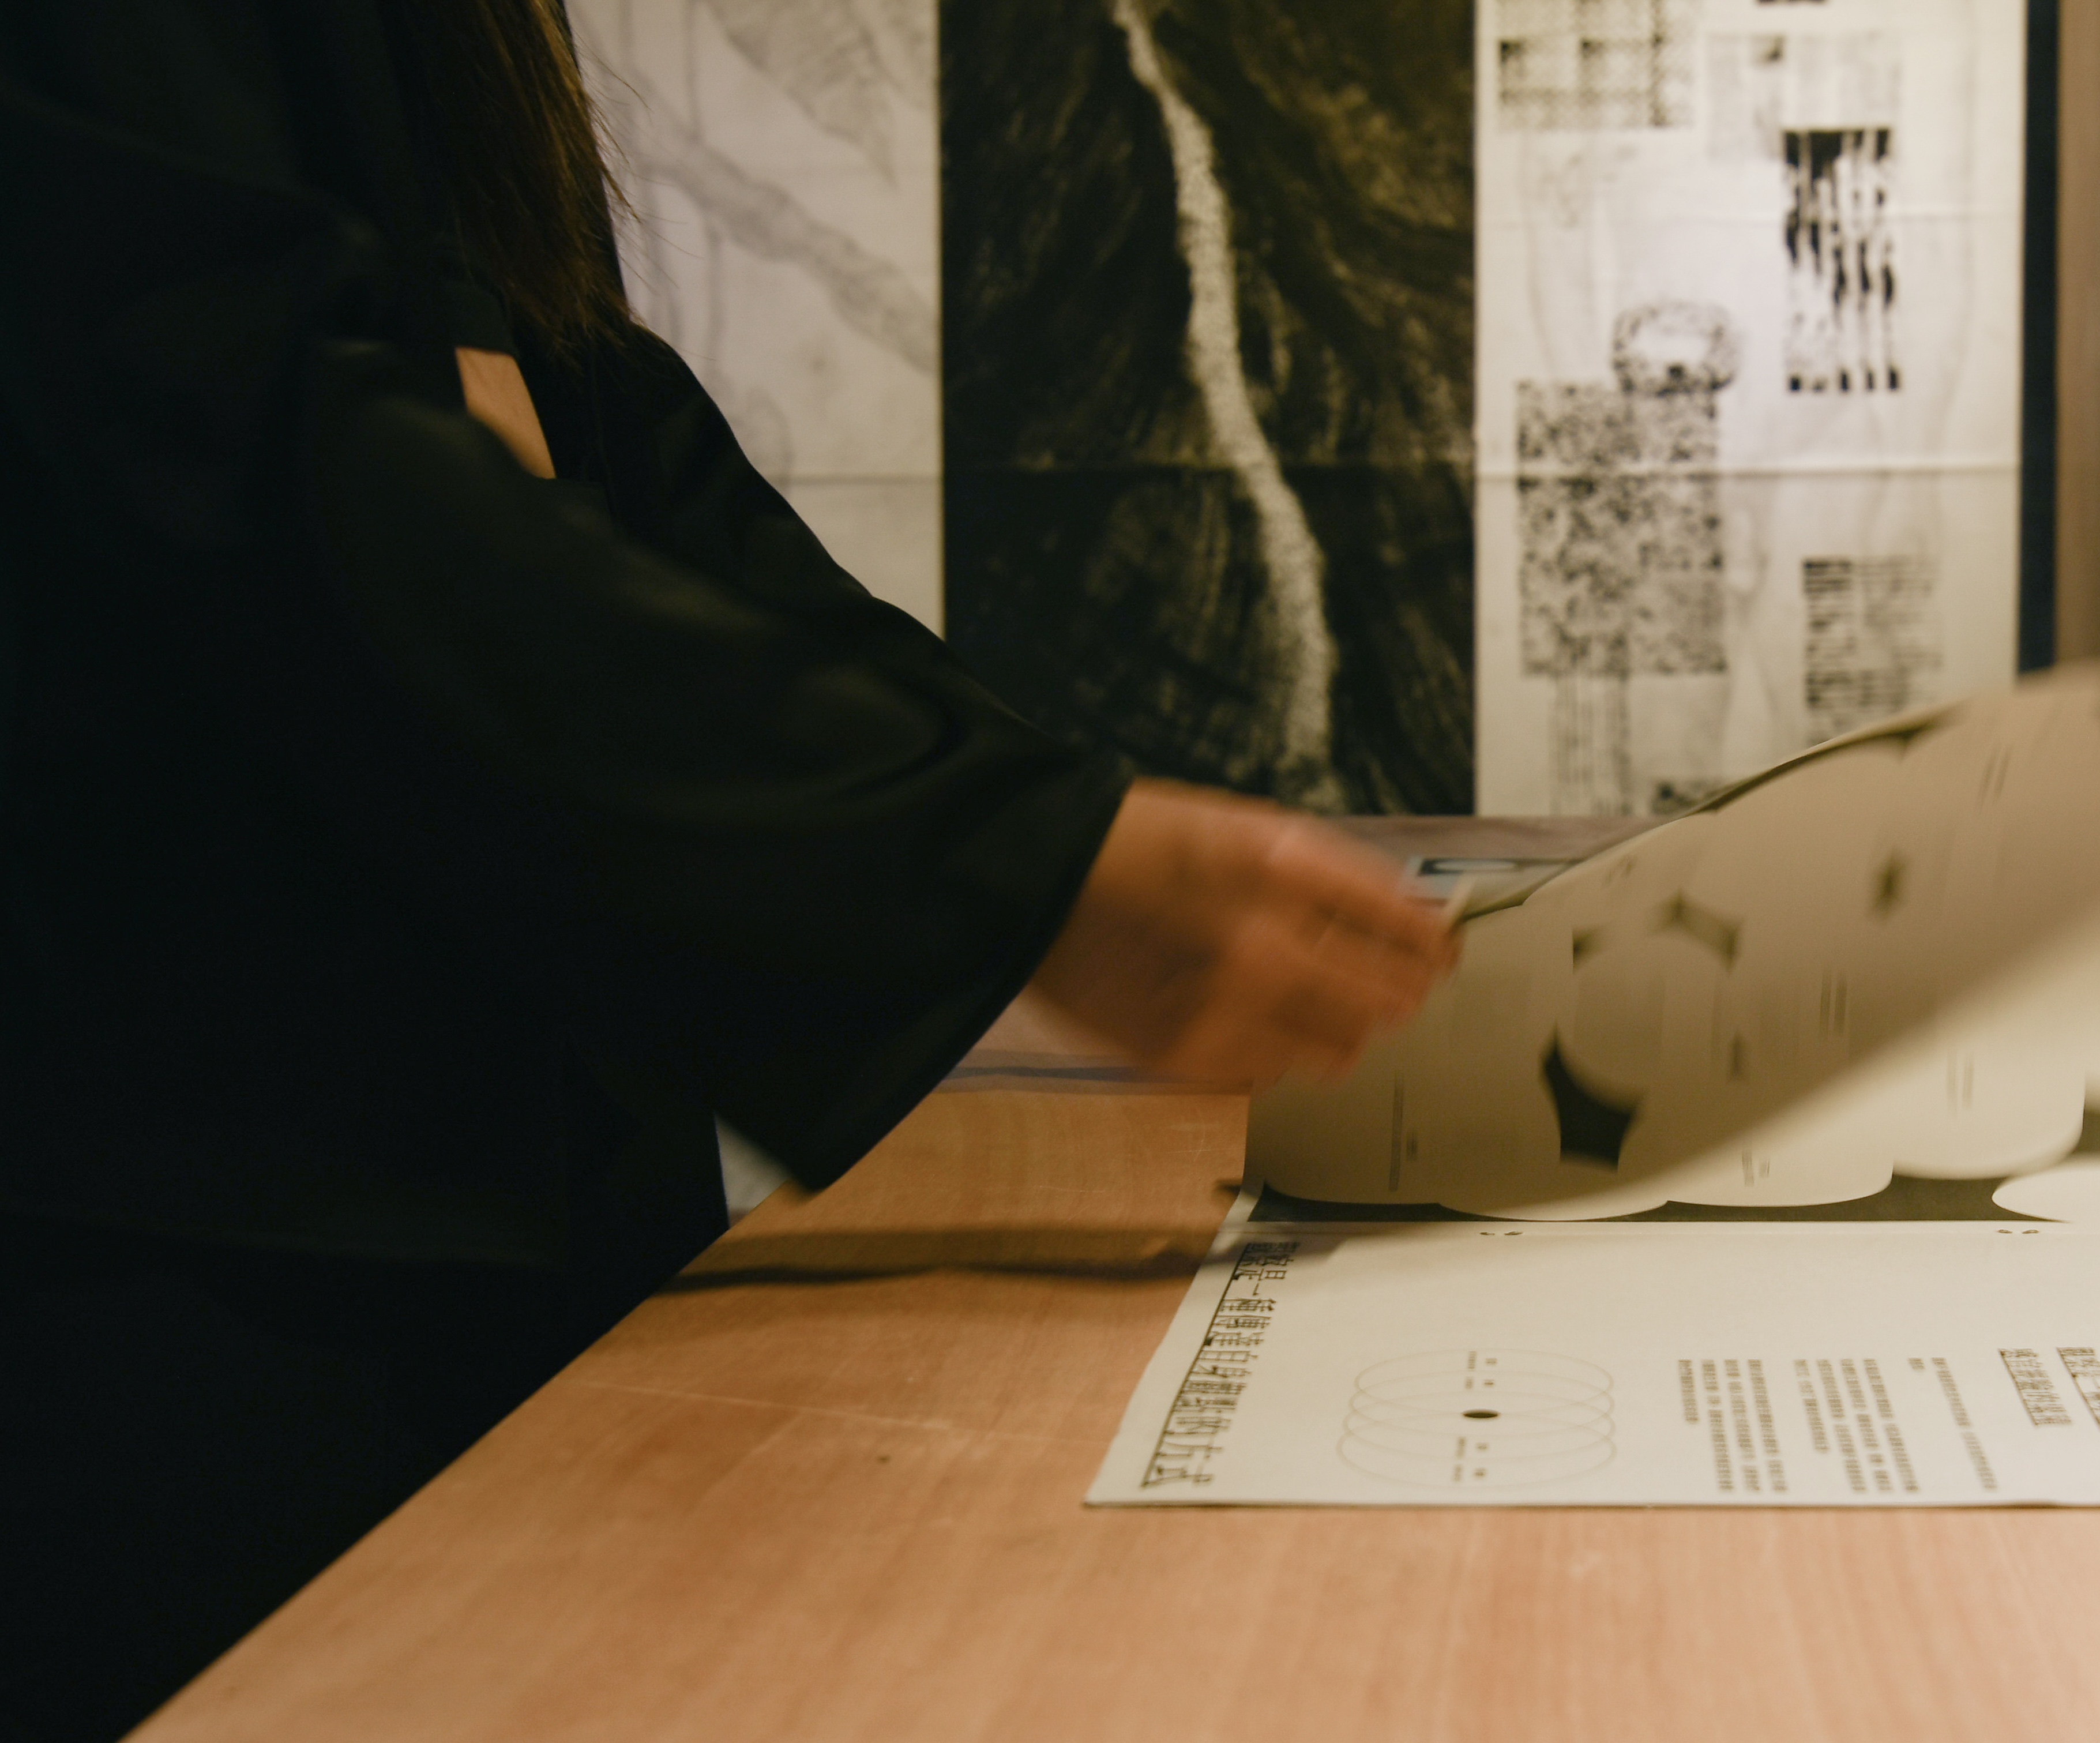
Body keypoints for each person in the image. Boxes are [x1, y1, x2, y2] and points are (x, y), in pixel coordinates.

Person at [0, 2, 1455, 1735]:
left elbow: (586, 429)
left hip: (495, 1165)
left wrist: (1038, 825)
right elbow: (228, 418)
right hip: (194, 1207)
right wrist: (1010, 857)